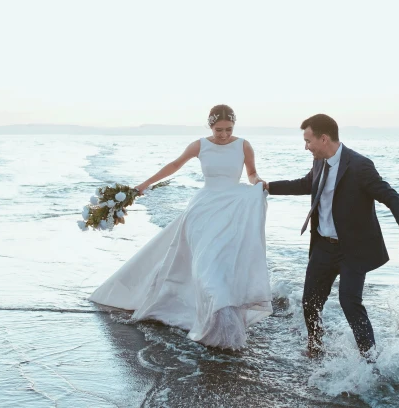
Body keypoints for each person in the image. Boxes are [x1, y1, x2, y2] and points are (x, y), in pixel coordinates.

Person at [89, 105, 271, 350]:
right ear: (210, 126)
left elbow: (251, 173)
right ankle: (209, 318)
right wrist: (143, 185)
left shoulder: (243, 145)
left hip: (231, 209)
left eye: (229, 129)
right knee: (204, 265)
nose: (224, 135)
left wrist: (257, 182)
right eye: (219, 130)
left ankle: (223, 323)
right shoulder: (200, 145)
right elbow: (175, 165)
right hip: (203, 210)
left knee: (222, 265)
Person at [265, 114, 399, 358]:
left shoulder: (359, 165)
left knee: (350, 303)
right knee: (310, 302)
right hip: (323, 247)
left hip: (352, 249)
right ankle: (315, 348)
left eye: (308, 141)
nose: (306, 147)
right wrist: (268, 187)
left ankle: (369, 359)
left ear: (324, 138)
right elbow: (305, 185)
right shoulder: (319, 161)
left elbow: (390, 196)